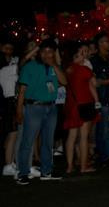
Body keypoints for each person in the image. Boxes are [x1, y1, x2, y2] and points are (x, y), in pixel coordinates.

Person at [15, 39, 68, 185]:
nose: (46, 54)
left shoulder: (53, 67)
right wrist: (19, 110)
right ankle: (23, 173)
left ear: (53, 53)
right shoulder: (30, 66)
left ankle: (46, 171)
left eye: (50, 51)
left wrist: (55, 66)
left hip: (51, 107)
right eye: (44, 51)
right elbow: (22, 90)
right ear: (39, 52)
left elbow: (64, 82)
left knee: (47, 141)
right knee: (28, 141)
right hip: (33, 107)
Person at [63, 42, 100, 174]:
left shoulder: (68, 69)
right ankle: (84, 166)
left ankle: (69, 166)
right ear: (75, 56)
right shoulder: (85, 69)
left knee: (71, 137)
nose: (83, 57)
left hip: (71, 105)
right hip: (85, 104)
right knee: (84, 137)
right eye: (81, 55)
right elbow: (94, 84)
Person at [90, 32, 109, 166]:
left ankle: (106, 154)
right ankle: (106, 156)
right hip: (102, 97)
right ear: (100, 44)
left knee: (107, 127)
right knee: (104, 128)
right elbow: (96, 81)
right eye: (106, 41)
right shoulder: (95, 60)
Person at [1, 40, 20, 176]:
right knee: (12, 133)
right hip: (6, 102)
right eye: (6, 48)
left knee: (12, 133)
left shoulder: (11, 64)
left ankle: (9, 162)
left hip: (11, 101)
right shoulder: (5, 66)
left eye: (11, 48)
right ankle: (8, 164)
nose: (8, 50)